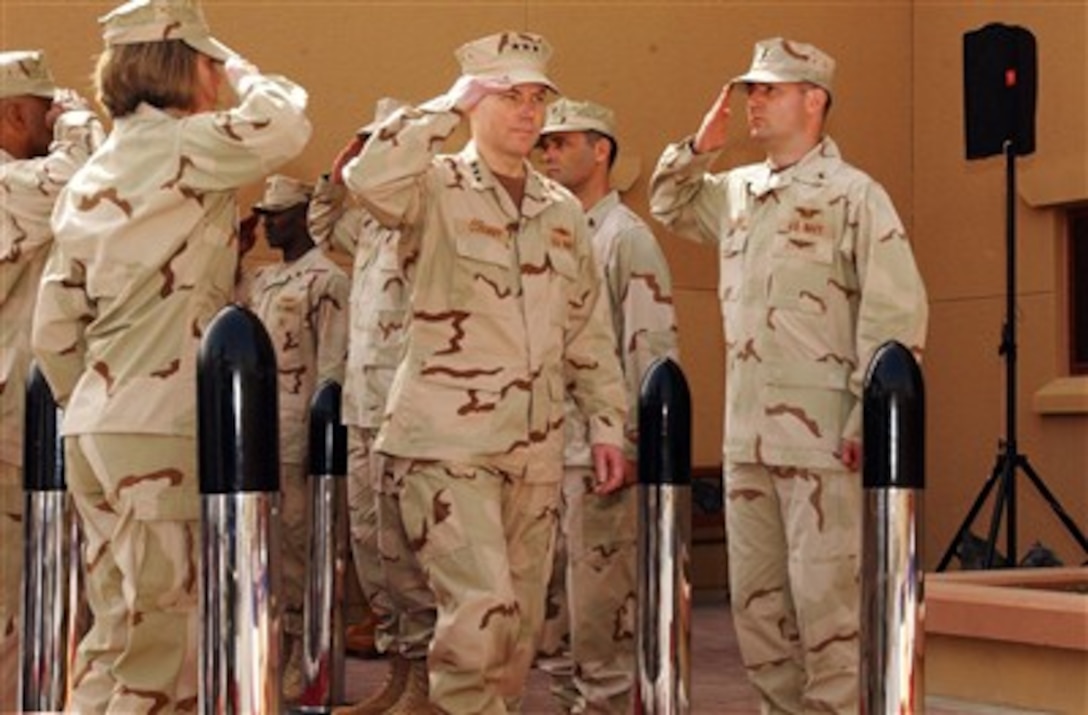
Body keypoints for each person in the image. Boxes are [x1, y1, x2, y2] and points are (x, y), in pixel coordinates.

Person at [31, 0, 311, 711]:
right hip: (161, 426)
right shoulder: (186, 145)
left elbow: (55, 329)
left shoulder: (96, 168)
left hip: (97, 426)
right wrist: (253, 76)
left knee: (120, 635)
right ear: (181, 64)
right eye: (211, 60)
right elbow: (285, 124)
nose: (220, 72)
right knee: (169, 652)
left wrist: (99, 397)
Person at [342, 31, 629, 714]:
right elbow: (366, 178)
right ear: (475, 101)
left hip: (534, 448)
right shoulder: (432, 187)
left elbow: (588, 328)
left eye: (536, 98)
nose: (529, 112)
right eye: (509, 95)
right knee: (480, 612)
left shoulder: (560, 211)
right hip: (447, 442)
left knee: (516, 634)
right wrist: (443, 108)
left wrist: (610, 423)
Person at [649, 37, 928, 714]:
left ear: (814, 100)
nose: (753, 101)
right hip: (748, 444)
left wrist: (869, 418)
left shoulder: (854, 196)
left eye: (769, 89)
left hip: (824, 442)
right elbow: (667, 202)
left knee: (829, 611)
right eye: (750, 89)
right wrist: (699, 144)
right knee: (757, 609)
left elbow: (896, 316)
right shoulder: (738, 192)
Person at [537, 98, 678, 714]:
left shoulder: (627, 239)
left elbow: (651, 353)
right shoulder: (551, 231)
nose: (548, 153)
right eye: (544, 144)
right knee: (556, 620)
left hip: (599, 456)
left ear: (602, 151)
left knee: (601, 614)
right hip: (546, 450)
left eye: (562, 142)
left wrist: (625, 441)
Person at [310, 98, 438, 715]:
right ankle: (398, 669)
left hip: (404, 411)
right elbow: (319, 226)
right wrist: (335, 179)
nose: (366, 154)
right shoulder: (365, 227)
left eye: (378, 144)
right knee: (373, 547)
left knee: (414, 553)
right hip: (362, 407)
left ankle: (429, 682)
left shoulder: (425, 215)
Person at [0, 49, 103, 714]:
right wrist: (76, 118)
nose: (51, 123)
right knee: (17, 593)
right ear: (13, 115)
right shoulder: (14, 184)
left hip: (22, 416)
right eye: (42, 113)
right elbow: (89, 178)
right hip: (14, 424)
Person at [237, 173, 349, 702]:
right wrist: (234, 251)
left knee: (299, 554)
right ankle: (271, 652)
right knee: (265, 552)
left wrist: (319, 441)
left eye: (277, 214)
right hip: (259, 437)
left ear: (305, 215)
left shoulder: (326, 280)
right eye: (264, 213)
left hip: (298, 436)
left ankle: (303, 660)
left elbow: (332, 367)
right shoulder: (261, 280)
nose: (267, 223)